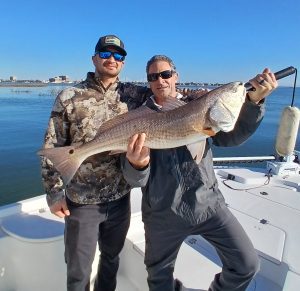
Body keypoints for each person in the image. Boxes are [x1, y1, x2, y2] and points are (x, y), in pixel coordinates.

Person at [40, 36, 200, 291]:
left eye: (118, 56)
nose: (112, 59)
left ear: (124, 63)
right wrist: (54, 193)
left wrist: (208, 99)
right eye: (105, 54)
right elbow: (53, 145)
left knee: (111, 260)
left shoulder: (135, 95)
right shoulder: (69, 95)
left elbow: (170, 94)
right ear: (94, 58)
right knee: (79, 270)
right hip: (82, 200)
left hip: (119, 197)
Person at [123, 55, 278, 291]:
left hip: (208, 205)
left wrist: (253, 104)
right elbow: (134, 180)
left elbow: (231, 137)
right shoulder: (138, 118)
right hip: (162, 213)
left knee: (247, 265)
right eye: (153, 77)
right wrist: (137, 164)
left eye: (165, 74)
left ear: (176, 76)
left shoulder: (199, 105)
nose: (160, 81)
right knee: (158, 281)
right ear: (148, 81)